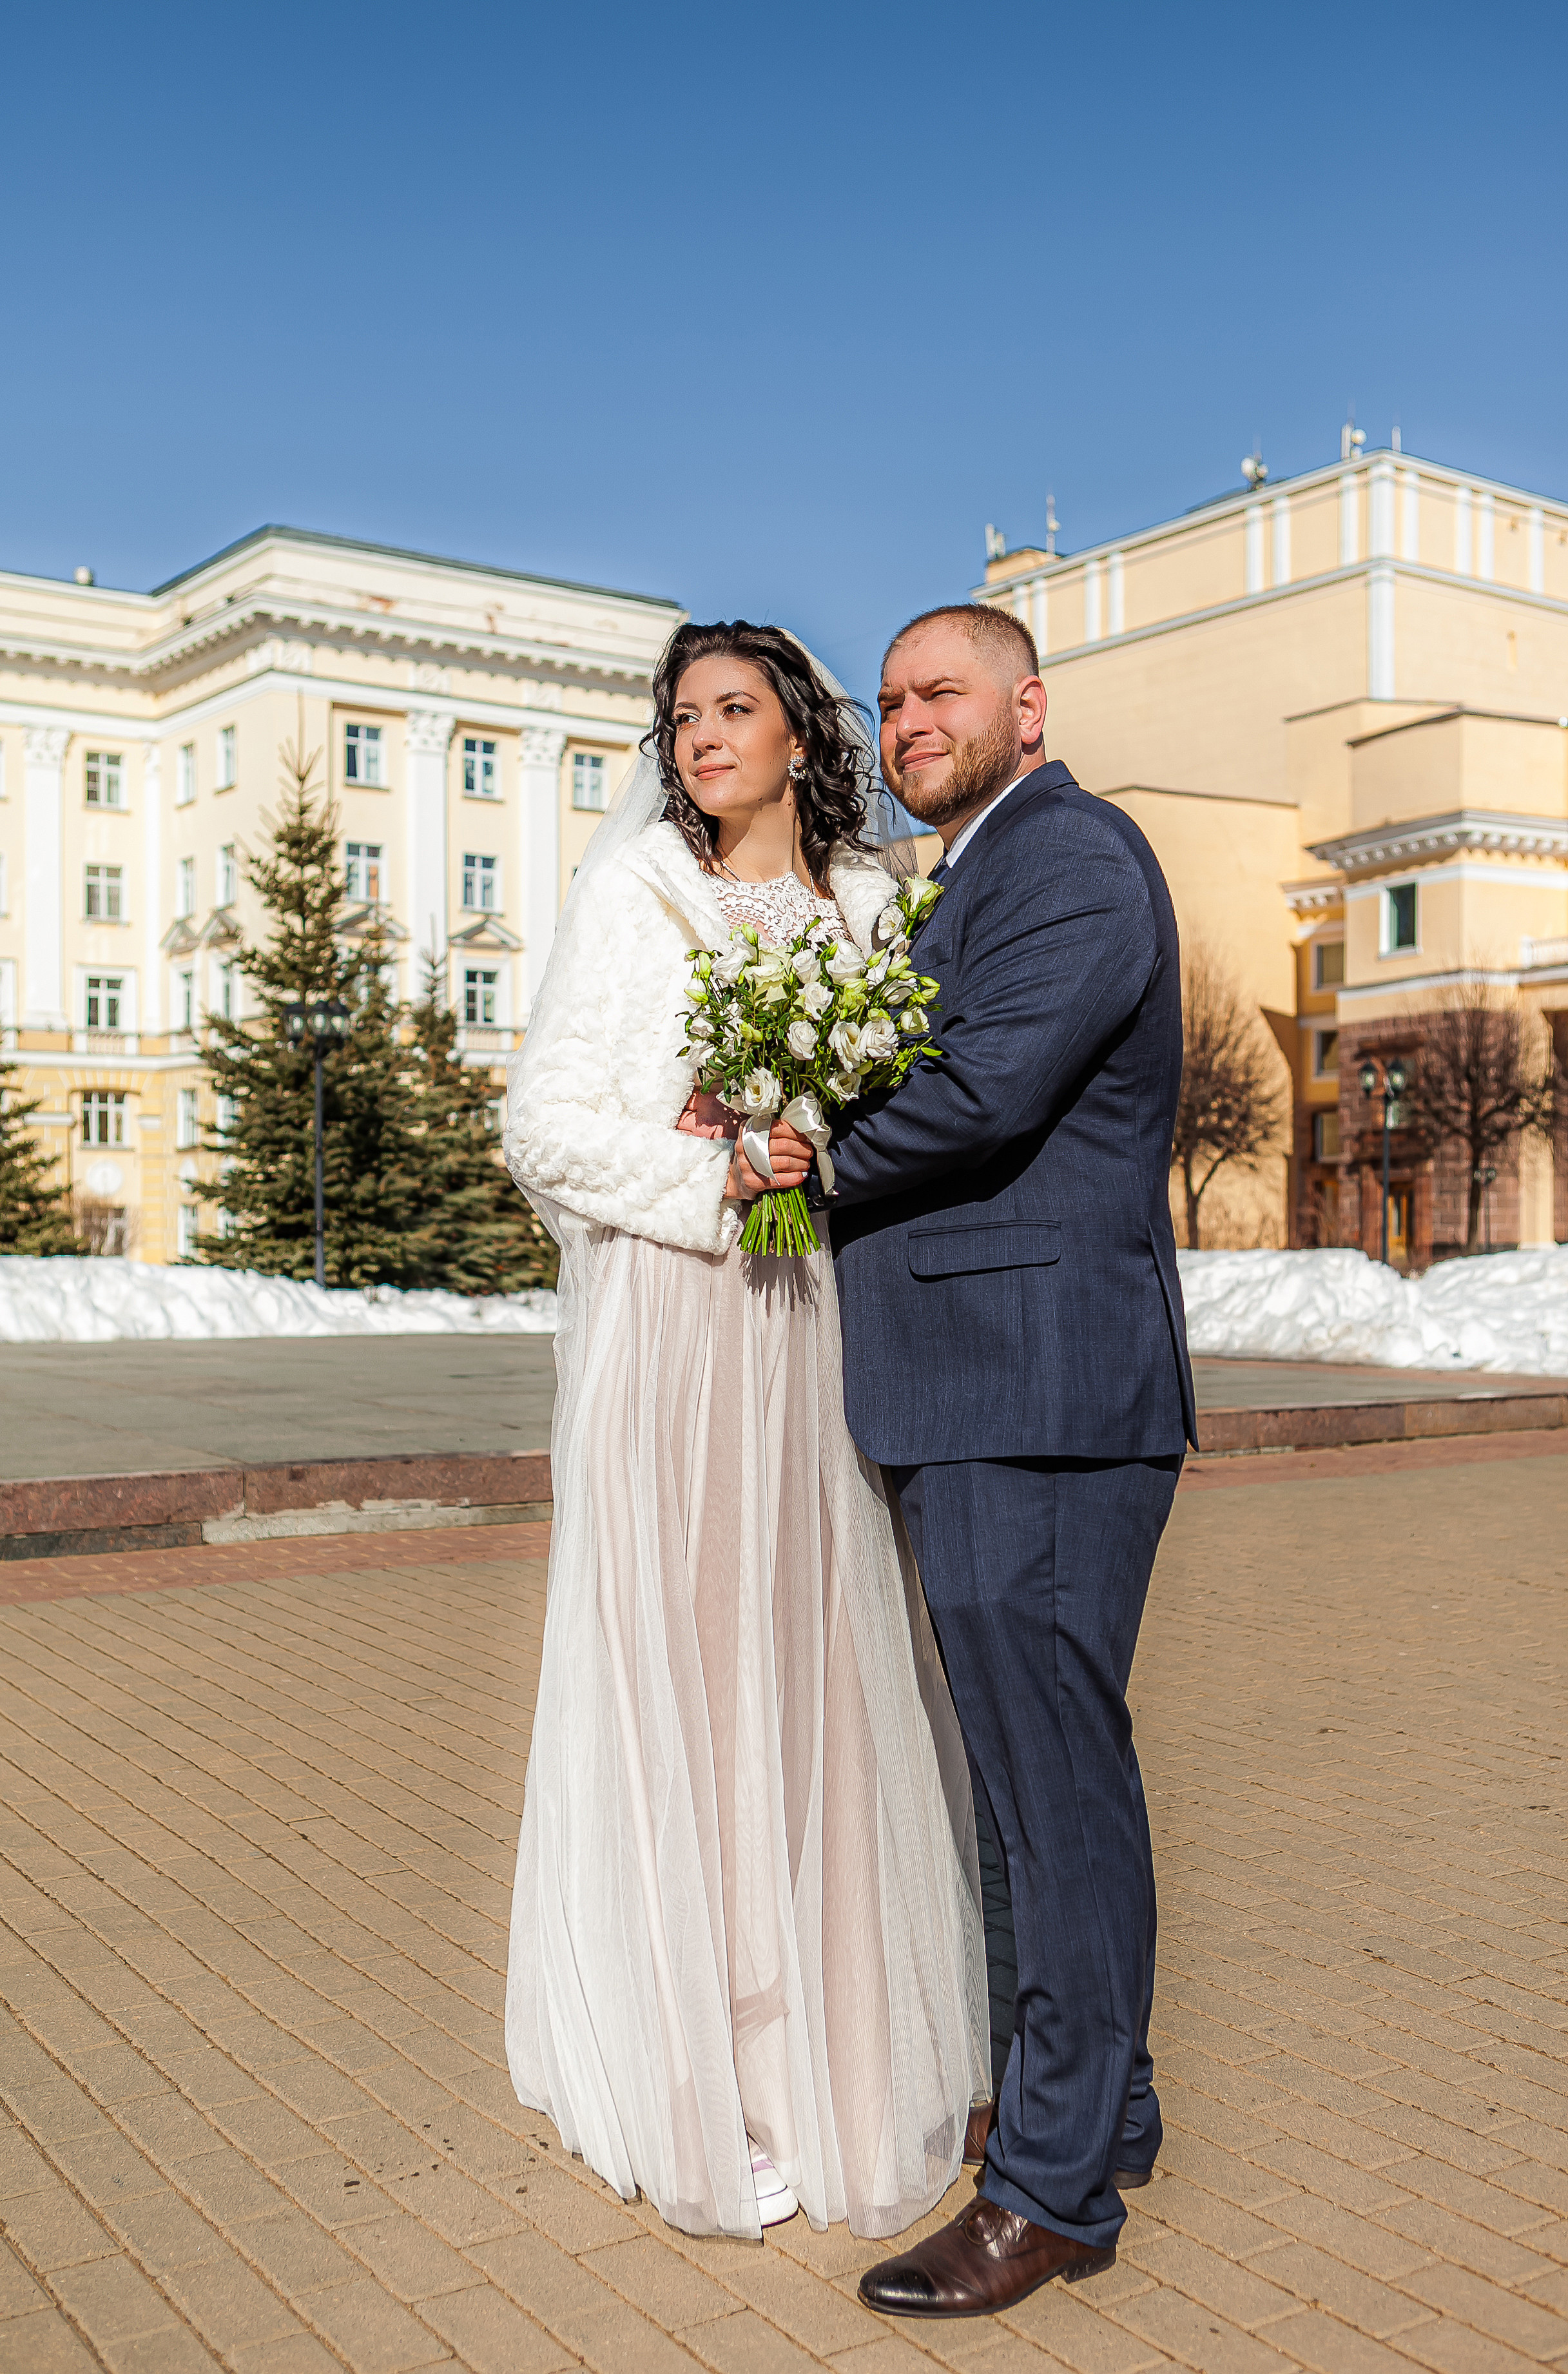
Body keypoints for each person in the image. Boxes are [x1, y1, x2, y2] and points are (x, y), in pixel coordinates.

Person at [500, 619, 989, 2243]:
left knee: (820, 1674)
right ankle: (703, 2070)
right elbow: (547, 1123)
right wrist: (714, 1176)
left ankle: (833, 2049)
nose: (703, 736)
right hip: (685, 1324)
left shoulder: (871, 903)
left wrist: (812, 1134)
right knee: (699, 1675)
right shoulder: (641, 891)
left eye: (735, 707)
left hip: (816, 1334)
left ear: (798, 731)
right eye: (683, 714)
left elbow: (911, 1100)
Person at [777, 603, 1197, 2314]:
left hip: (1043, 1391)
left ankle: (1051, 2192)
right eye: (886, 702)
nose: (903, 720)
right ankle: (1105, 2103)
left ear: (1029, 704)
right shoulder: (966, 872)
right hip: (975, 1390)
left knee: (1051, 1800)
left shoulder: (1073, 856)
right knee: (1037, 1798)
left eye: (937, 690)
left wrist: (789, 1152)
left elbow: (982, 1093)